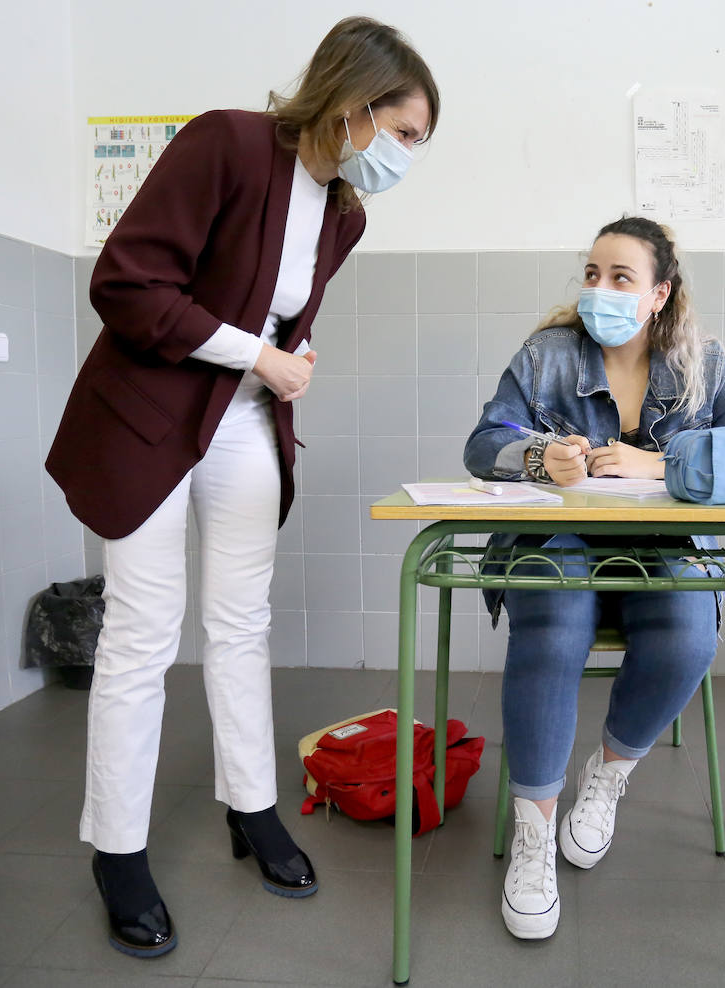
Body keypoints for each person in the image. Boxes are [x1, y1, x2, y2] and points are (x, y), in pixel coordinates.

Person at [45, 17, 438, 959]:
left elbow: (278, 314)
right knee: (143, 629)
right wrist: (257, 350)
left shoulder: (345, 212)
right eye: (406, 132)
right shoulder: (228, 141)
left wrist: (284, 355)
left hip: (243, 419)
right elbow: (128, 283)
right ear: (353, 103)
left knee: (241, 622)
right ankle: (119, 851)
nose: (409, 157)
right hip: (147, 414)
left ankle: (251, 808)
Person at [463, 216, 725, 939]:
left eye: (621, 278)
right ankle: (535, 832)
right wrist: (541, 457)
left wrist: (663, 465)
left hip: (661, 540)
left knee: (690, 632)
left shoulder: (705, 364)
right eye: (592, 274)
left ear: (660, 293)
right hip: (556, 535)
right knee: (553, 625)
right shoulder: (547, 356)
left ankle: (607, 774)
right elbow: (485, 444)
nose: (599, 289)